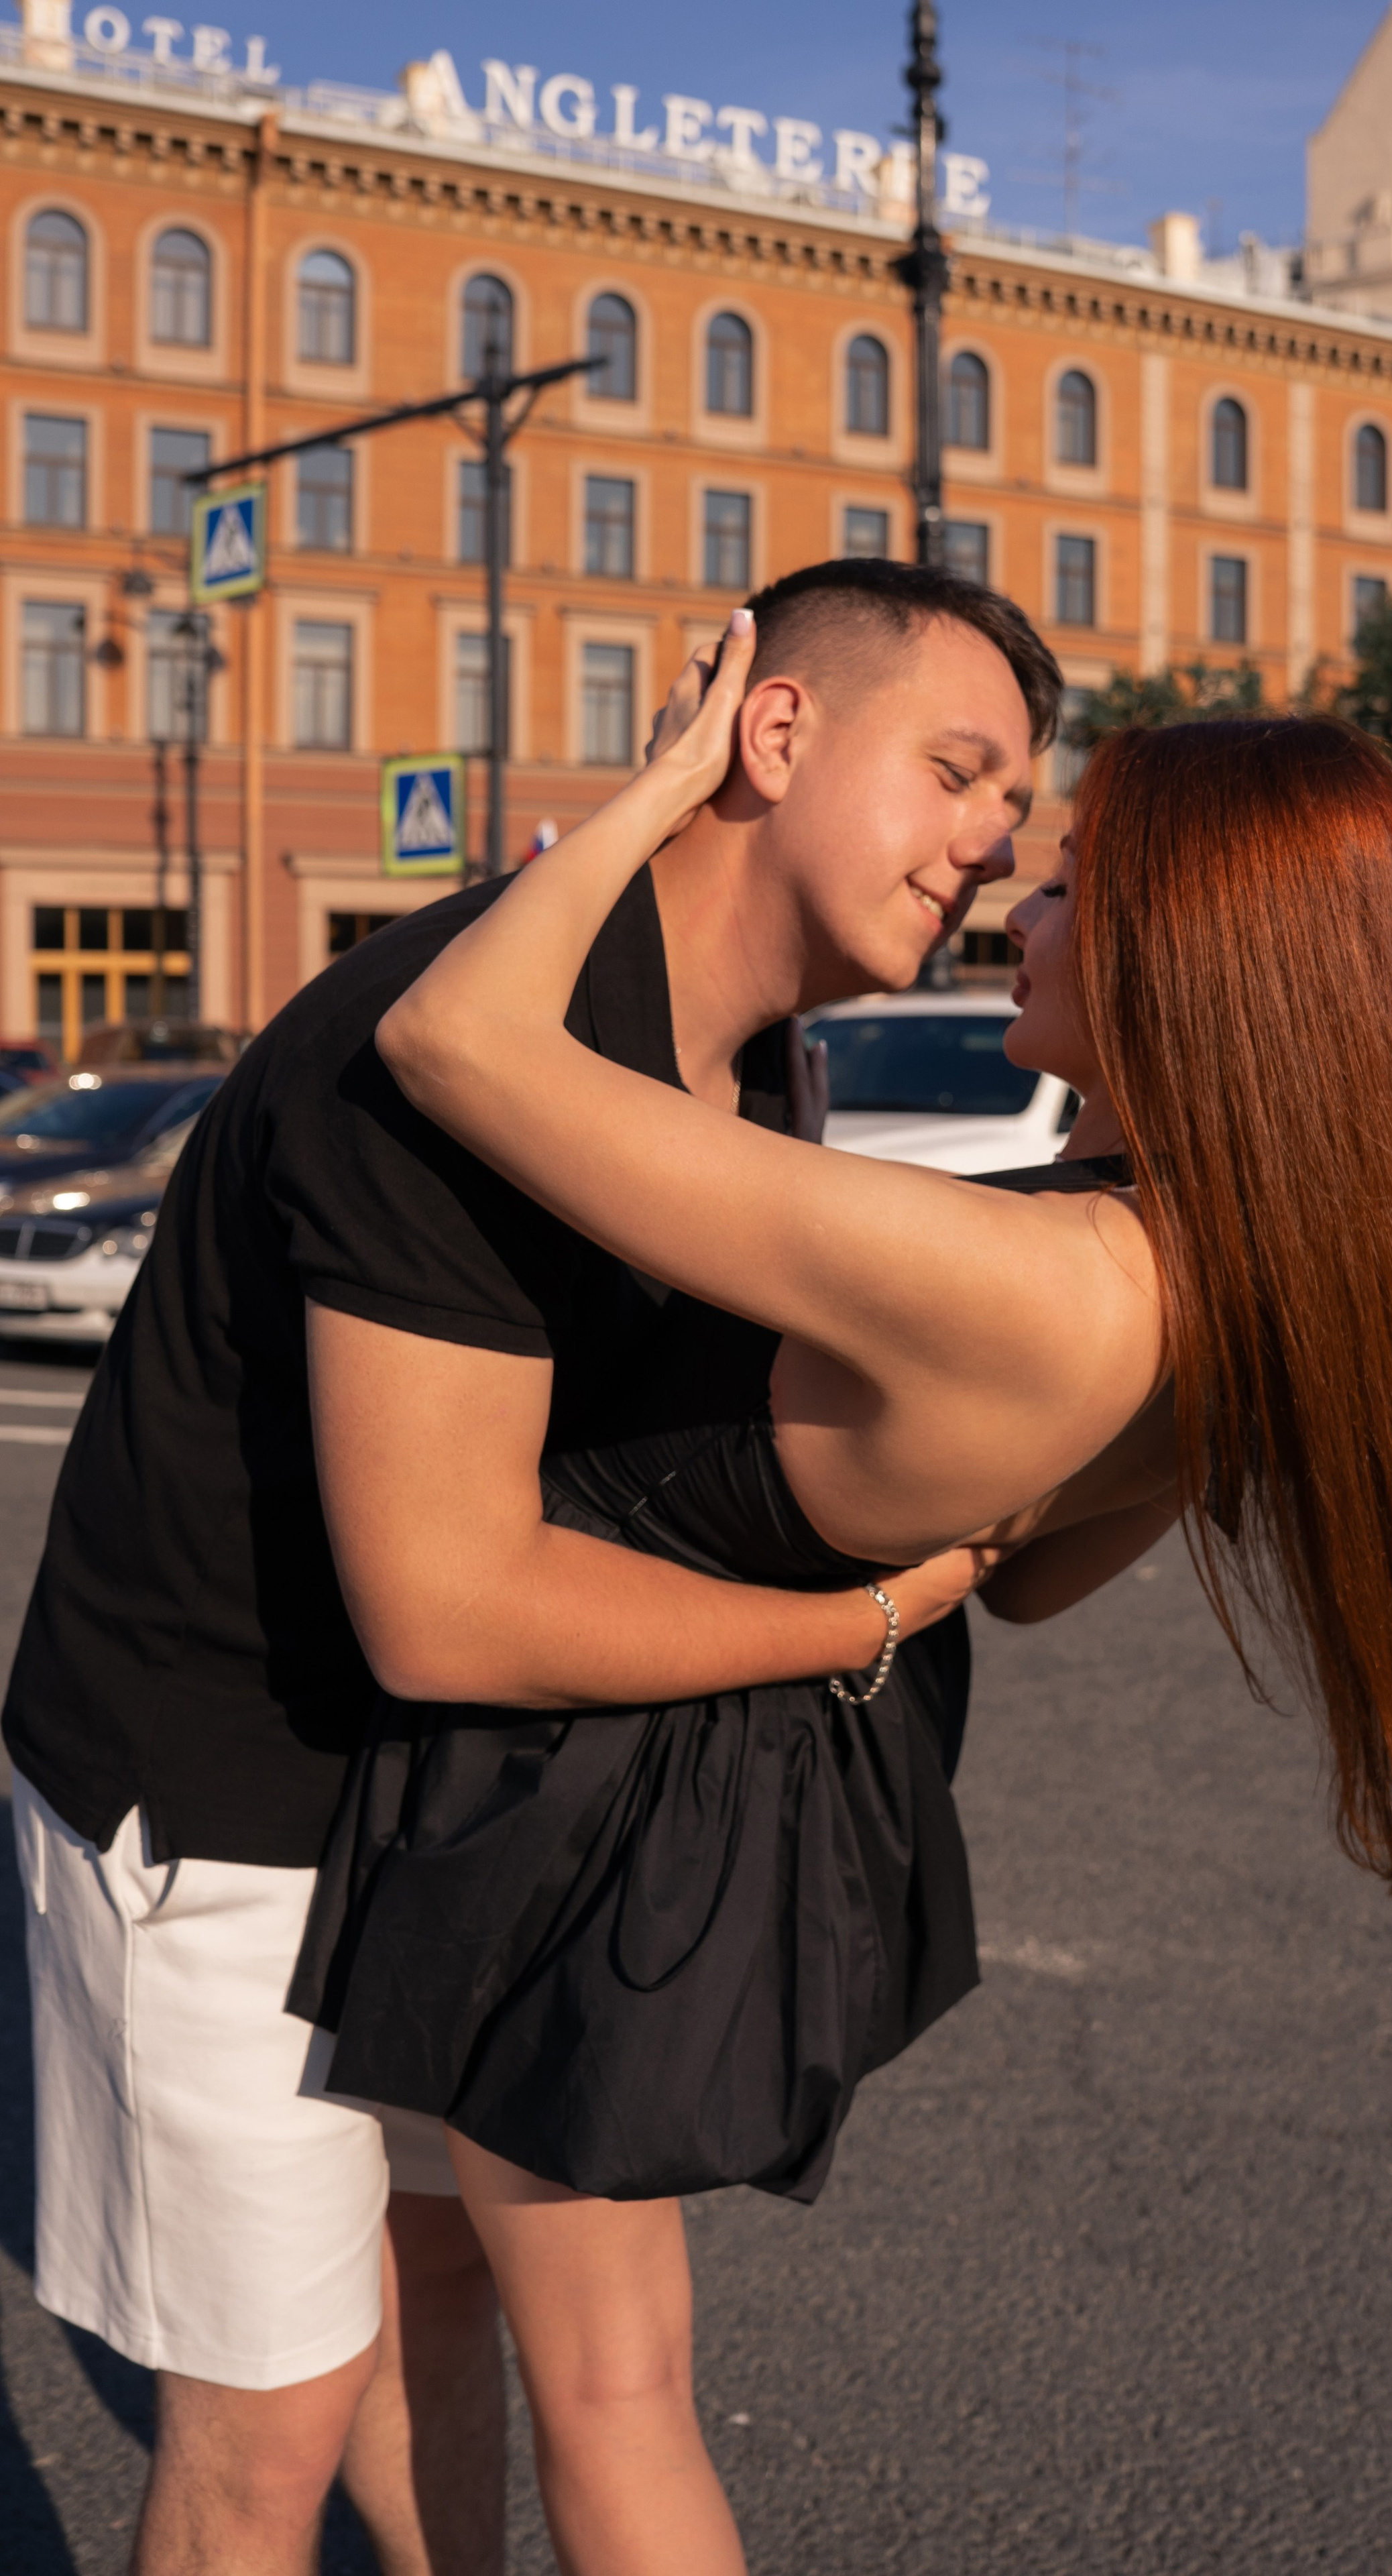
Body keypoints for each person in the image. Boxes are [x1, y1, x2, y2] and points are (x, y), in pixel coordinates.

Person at [305, 605, 1392, 2573]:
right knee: (532, 2323)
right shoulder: (1217, 1281)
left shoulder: (1028, 1278)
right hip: (741, 1800)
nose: (1015, 904)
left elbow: (449, 1043)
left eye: (1069, 889)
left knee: (614, 2396)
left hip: (586, 1795)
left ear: (1184, 957)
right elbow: (1032, 1579)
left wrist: (665, 784)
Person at [2, 559, 1067, 2575]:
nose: (995, 845)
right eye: (957, 773)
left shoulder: (761, 1059)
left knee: (450, 2297)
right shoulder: (478, 1040)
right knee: (265, 2435)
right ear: (771, 733)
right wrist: (859, 1620)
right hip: (228, 1799)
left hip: (473, 1804)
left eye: (1015, 805)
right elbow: (450, 1603)